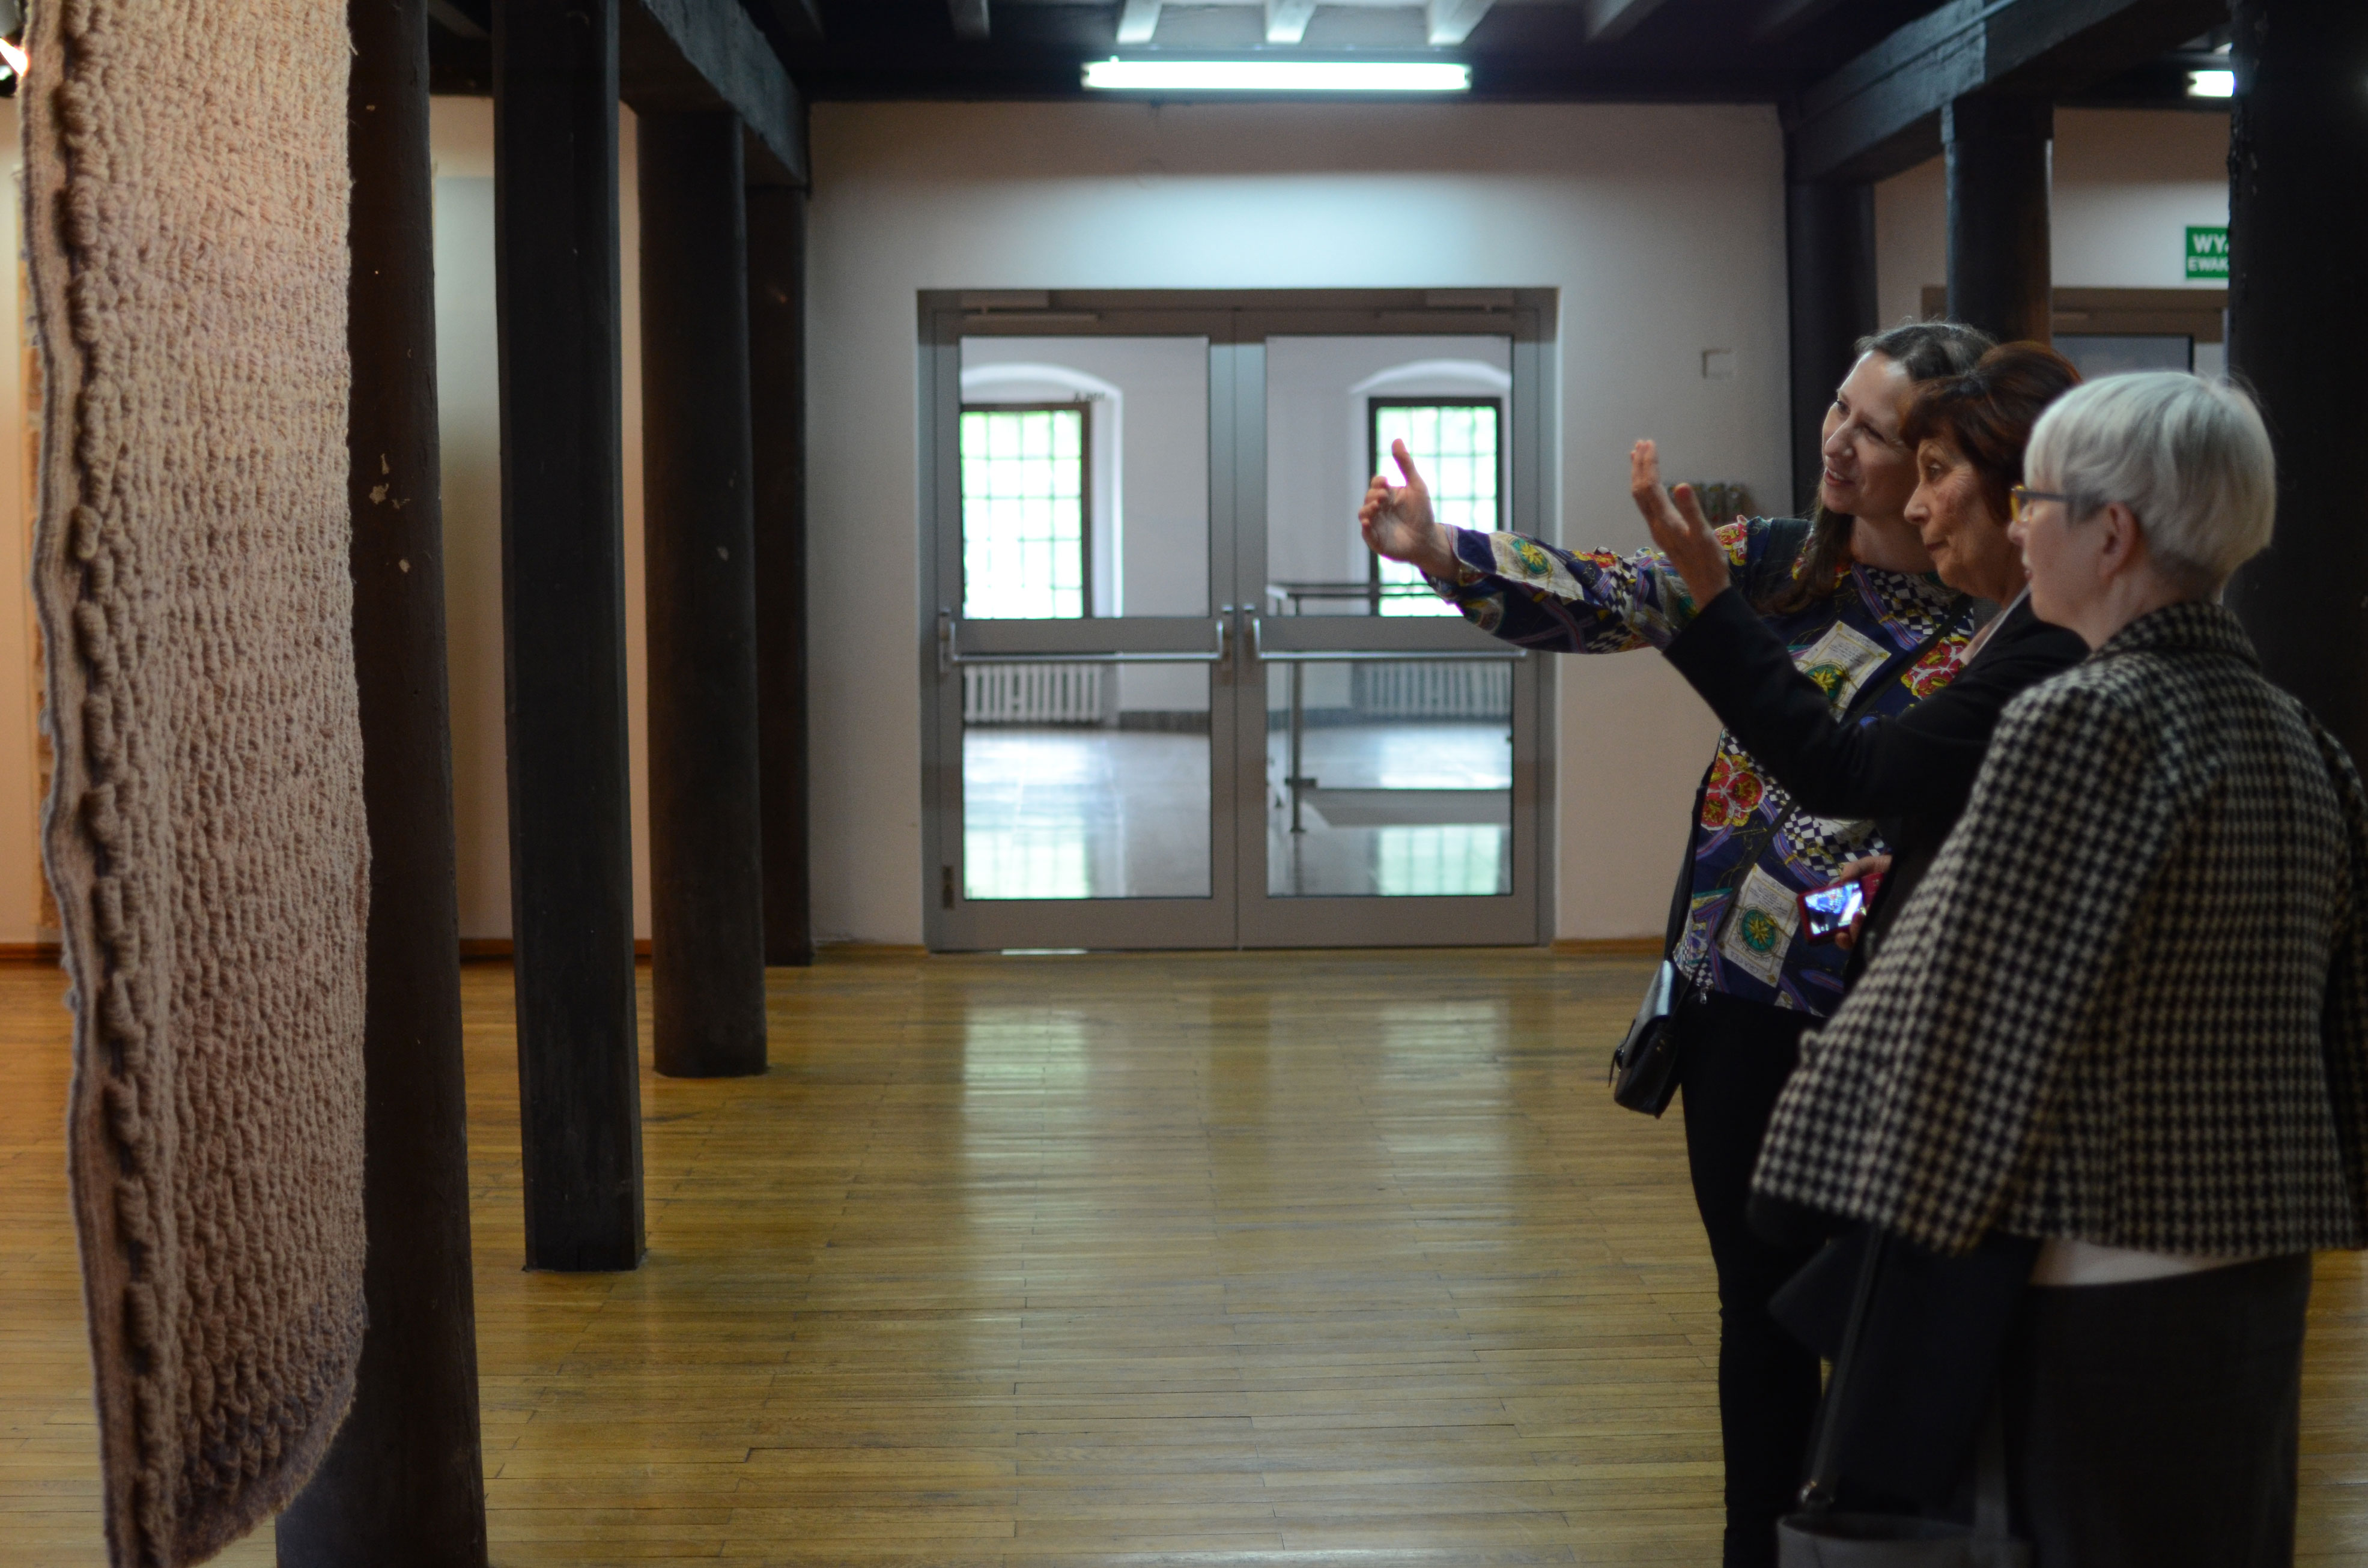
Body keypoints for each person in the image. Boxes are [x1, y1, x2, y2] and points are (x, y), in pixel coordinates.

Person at [1361, 319, 1993, 1568]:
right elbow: (1602, 591)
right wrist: (1439, 547)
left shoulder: (1990, 633)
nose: (1837, 440)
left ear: (1943, 460)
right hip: (1731, 1004)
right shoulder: (1772, 563)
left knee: (1878, 1319)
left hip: (1881, 1019)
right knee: (1755, 1309)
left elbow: (1874, 798)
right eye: (1839, 407)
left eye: (1875, 431)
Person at [1753, 372, 2368, 1566]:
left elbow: (1950, 1004)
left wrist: (1794, 1171)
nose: (2019, 527)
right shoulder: (2301, 739)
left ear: (2111, 532)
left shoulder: (2082, 719)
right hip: (2256, 1267)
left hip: (2093, 1269)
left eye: (2033, 500)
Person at [1628, 343, 2089, 976]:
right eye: (1840, 408)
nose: (1918, 506)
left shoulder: (2045, 646)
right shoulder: (2014, 629)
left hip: (1831, 995)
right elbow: (2003, 843)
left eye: (1934, 470)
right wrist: (1909, 875)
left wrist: (1716, 603)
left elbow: (1840, 770)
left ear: (2020, 497)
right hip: (1724, 974)